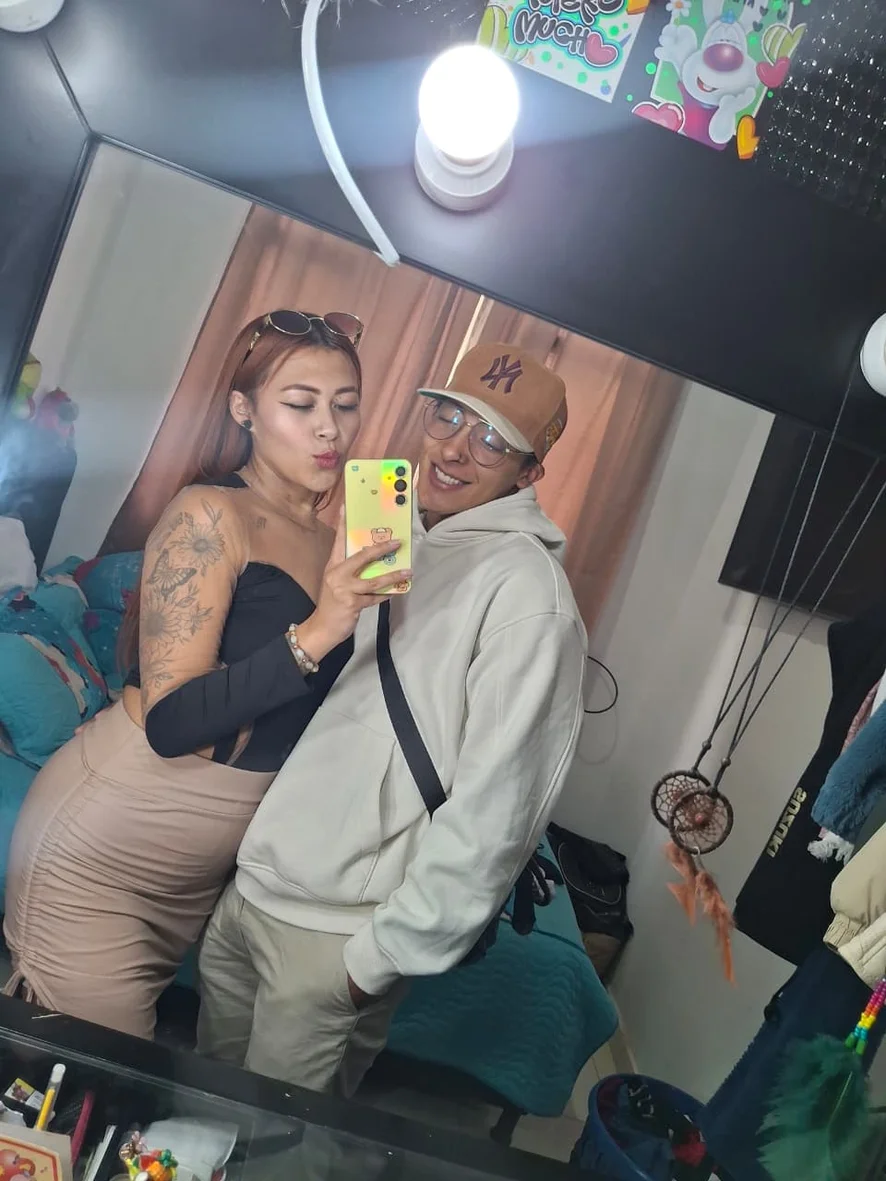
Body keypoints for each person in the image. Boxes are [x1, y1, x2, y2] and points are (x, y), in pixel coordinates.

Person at [3, 310, 409, 1039]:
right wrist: (323, 627)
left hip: (197, 876)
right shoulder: (211, 514)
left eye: (345, 404)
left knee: (98, 1073)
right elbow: (172, 721)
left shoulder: (335, 542)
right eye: (301, 404)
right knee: (86, 1074)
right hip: (108, 850)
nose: (329, 429)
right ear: (244, 409)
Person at [197, 341, 587, 1096]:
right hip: (255, 888)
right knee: (200, 1106)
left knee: (274, 1146)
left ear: (528, 472)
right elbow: (343, 690)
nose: (455, 448)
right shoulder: (393, 521)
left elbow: (502, 808)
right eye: (450, 416)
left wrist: (373, 962)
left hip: (339, 932)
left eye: (492, 439)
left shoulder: (528, 595)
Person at [700, 807, 886, 1179]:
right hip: (857, 958)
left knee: (788, 1099)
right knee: (777, 1096)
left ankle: (711, 1161)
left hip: (862, 965)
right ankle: (710, 1161)